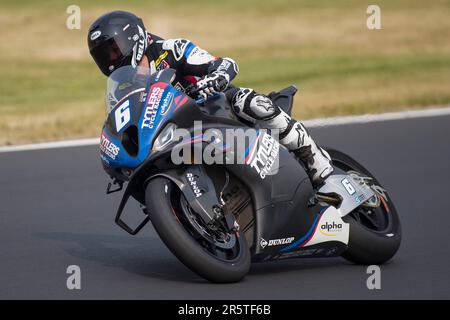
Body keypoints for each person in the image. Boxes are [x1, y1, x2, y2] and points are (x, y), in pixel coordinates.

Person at [87, 11, 333, 187]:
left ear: (133, 39)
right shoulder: (121, 84)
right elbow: (122, 119)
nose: (110, 60)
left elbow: (224, 63)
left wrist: (215, 79)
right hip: (178, 132)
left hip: (213, 107)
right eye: (102, 56)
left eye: (113, 49)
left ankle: (314, 159)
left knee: (251, 102)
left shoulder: (170, 49)